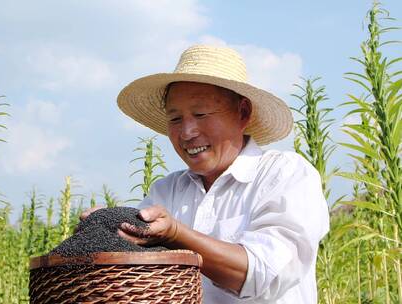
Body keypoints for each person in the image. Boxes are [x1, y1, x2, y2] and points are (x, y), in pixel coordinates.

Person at [83, 45, 330, 303]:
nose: (187, 132)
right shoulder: (166, 191)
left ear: (242, 113)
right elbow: (136, 271)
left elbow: (261, 274)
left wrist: (176, 235)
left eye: (201, 114)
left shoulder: (284, 175)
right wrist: (109, 227)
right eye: (175, 119)